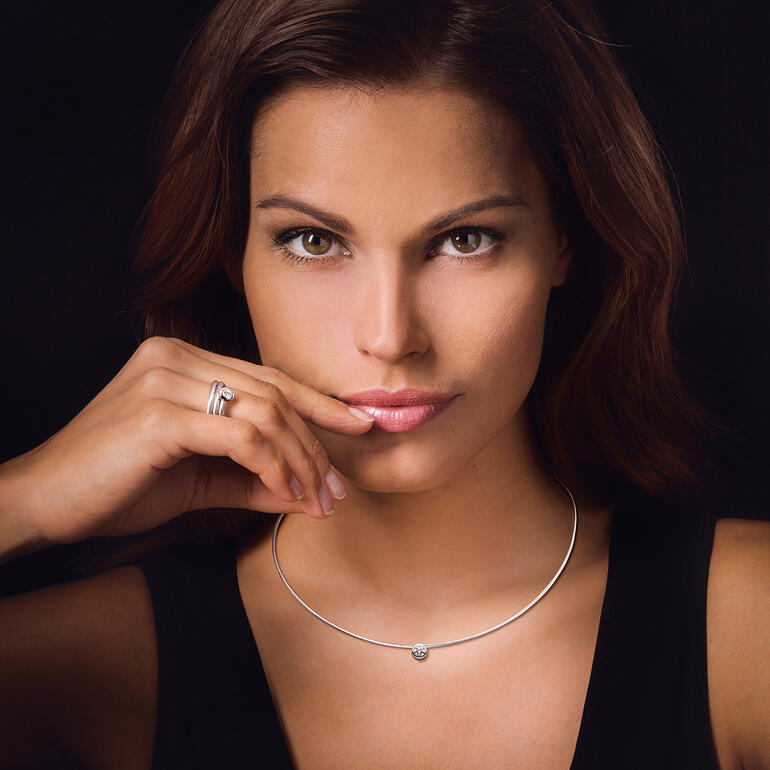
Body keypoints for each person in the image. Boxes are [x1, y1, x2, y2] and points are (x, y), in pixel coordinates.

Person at [0, 0, 767, 768]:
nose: (391, 336)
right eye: (314, 241)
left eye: (465, 239)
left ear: (565, 237)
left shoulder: (745, 632)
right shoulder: (72, 675)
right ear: (232, 253)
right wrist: (24, 499)